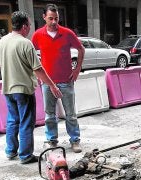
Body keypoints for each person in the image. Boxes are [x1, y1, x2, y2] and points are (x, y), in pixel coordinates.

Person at [0, 11, 62, 164]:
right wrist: (52, 85)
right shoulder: (25, 43)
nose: (30, 28)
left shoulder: (2, 42)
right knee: (26, 122)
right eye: (29, 25)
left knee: (12, 120)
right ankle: (25, 155)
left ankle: (11, 151)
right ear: (24, 26)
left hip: (8, 89)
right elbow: (38, 69)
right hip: (23, 89)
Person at [32, 3, 85, 153]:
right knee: (49, 115)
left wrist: (77, 69)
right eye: (51, 18)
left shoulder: (67, 33)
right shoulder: (38, 35)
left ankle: (75, 140)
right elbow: (31, 55)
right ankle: (51, 140)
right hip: (48, 83)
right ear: (44, 18)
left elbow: (81, 49)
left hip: (66, 81)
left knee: (71, 114)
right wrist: (36, 74)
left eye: (56, 18)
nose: (54, 22)